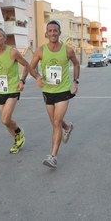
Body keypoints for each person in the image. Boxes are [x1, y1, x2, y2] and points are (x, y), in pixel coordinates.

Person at [29, 20, 80, 168]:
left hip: (63, 90)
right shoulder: (40, 50)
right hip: (47, 91)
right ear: (46, 33)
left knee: (56, 122)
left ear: (59, 33)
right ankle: (67, 128)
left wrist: (76, 80)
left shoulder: (68, 50)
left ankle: (53, 157)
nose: (52, 33)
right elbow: (31, 68)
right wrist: (38, 77)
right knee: (55, 122)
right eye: (50, 30)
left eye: (55, 30)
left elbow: (76, 64)